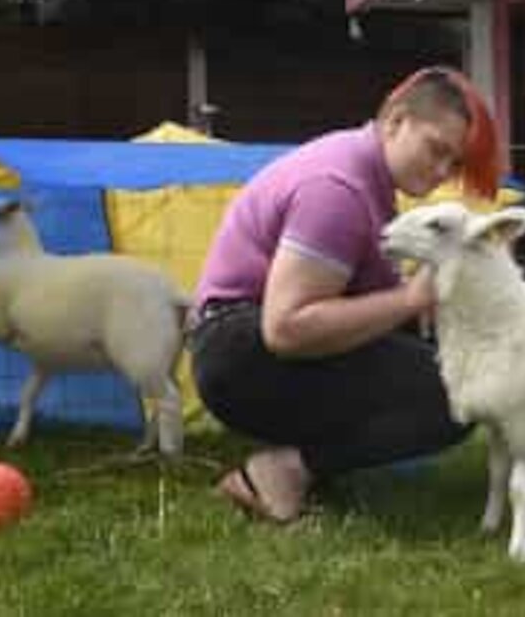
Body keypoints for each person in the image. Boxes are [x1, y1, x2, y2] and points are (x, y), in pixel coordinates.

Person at [188, 65, 505, 522]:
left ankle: (306, 460)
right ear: (396, 120)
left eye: (454, 163)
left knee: (450, 357)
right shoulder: (338, 189)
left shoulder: (364, 177)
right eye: (437, 150)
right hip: (238, 349)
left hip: (237, 341)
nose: (441, 172)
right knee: (456, 388)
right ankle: (286, 469)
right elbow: (286, 328)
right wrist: (409, 300)